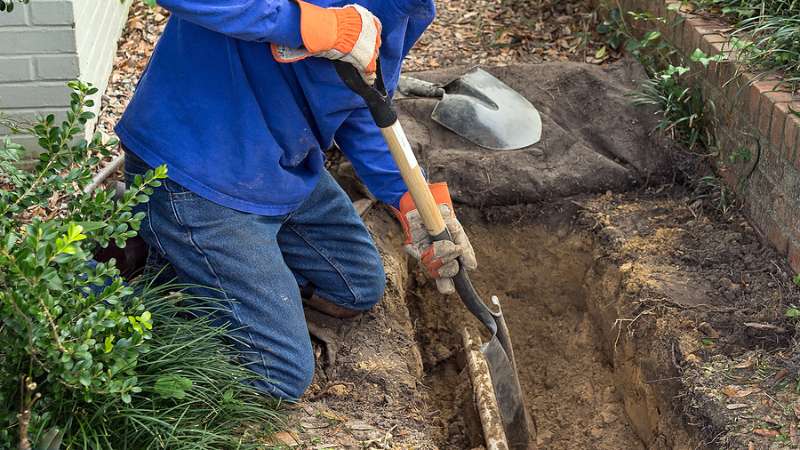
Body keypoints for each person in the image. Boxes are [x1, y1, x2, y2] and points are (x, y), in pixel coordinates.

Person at [116, 0, 477, 401]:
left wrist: (413, 199)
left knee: (355, 288)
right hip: (195, 168)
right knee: (278, 374)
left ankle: (205, 260)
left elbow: (363, 100)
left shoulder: (407, 6)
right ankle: (146, 274)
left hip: (278, 165)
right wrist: (308, 23)